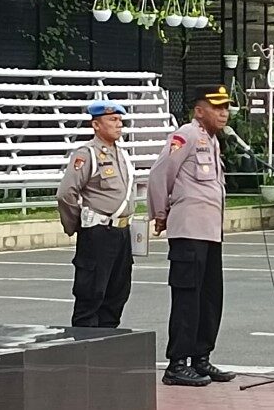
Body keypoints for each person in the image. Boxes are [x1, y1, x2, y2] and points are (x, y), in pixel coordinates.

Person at [147, 85, 236, 387]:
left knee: (211, 298)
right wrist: (160, 213)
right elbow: (160, 173)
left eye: (226, 107)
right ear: (200, 110)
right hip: (188, 231)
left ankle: (201, 357)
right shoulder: (185, 135)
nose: (224, 112)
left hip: (210, 232)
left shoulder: (211, 141)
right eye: (217, 107)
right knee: (187, 297)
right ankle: (176, 363)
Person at [57, 100, 135, 328]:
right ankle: (84, 350)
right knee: (91, 293)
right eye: (112, 120)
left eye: (120, 120)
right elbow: (66, 194)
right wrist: (75, 224)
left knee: (117, 293)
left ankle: (106, 347)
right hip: (99, 231)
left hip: (122, 231)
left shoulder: (121, 154)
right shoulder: (87, 154)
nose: (119, 124)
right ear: (96, 125)